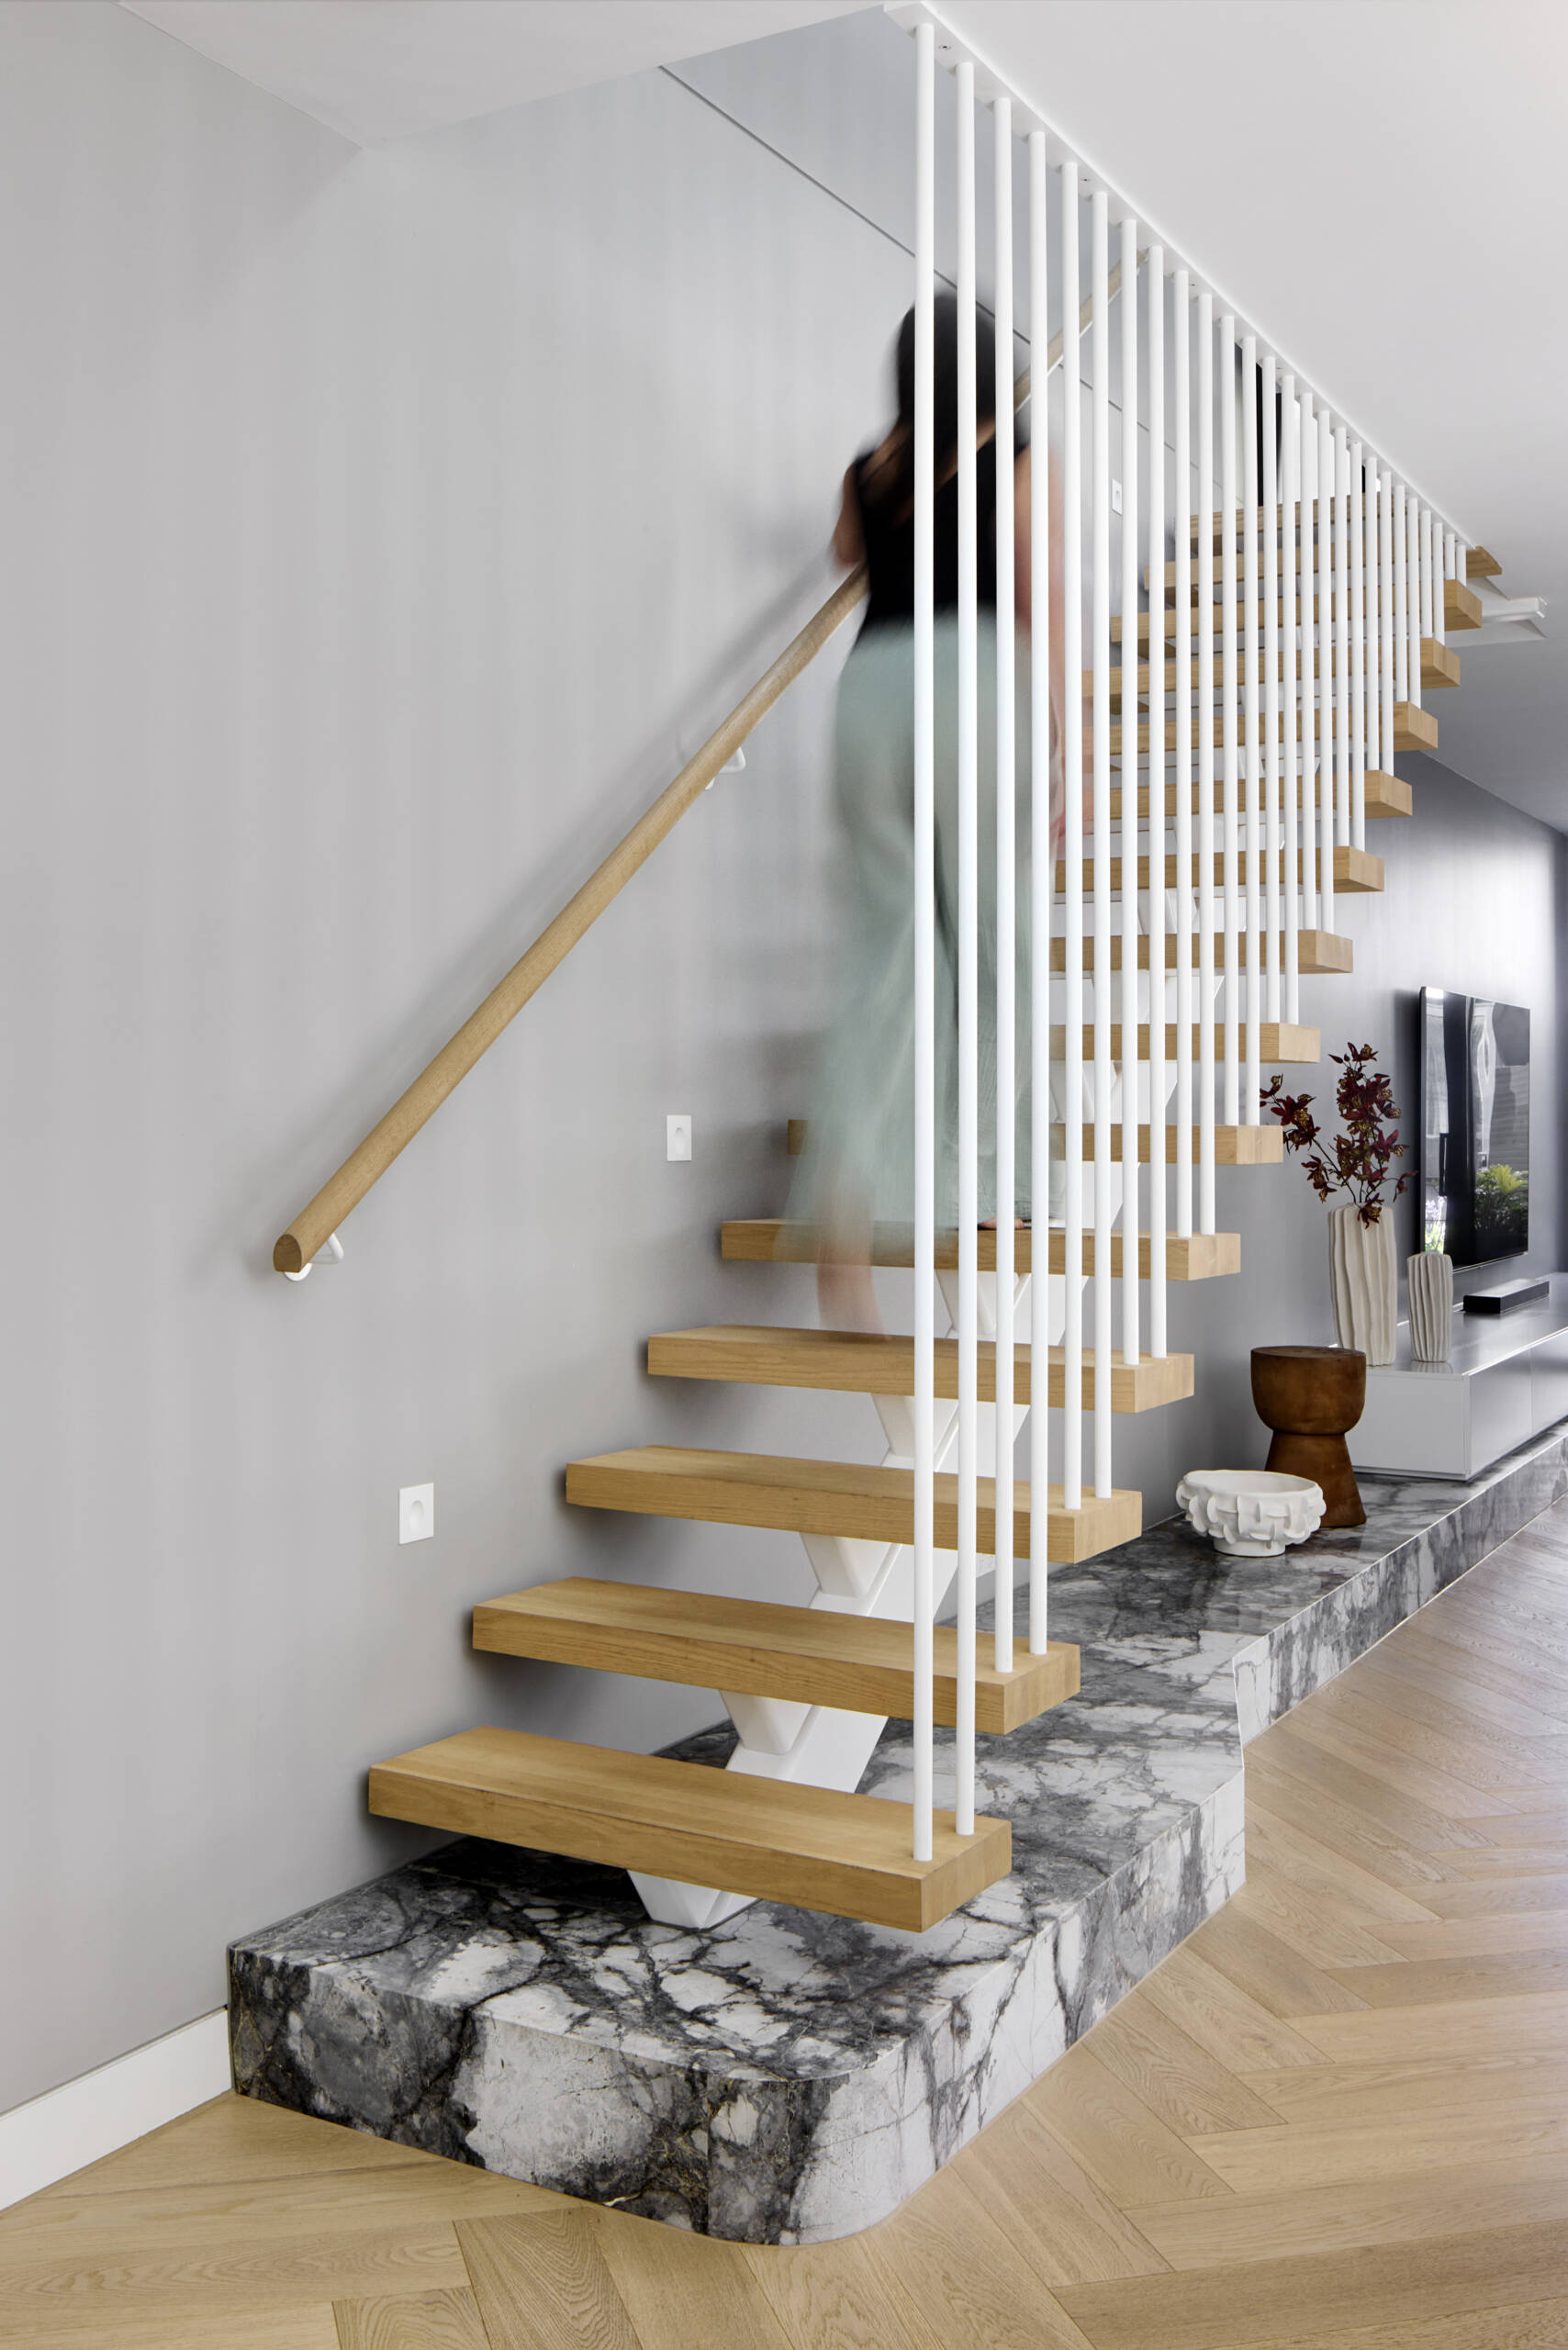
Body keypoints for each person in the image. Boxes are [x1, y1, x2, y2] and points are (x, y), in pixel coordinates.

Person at [795, 297, 1064, 1335]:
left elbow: (842, 559)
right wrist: (1068, 751)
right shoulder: (1015, 452)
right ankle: (993, 1206)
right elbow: (1039, 605)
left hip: (869, 694)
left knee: (884, 962)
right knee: (991, 955)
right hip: (970, 686)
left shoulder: (876, 465)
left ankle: (845, 1239)